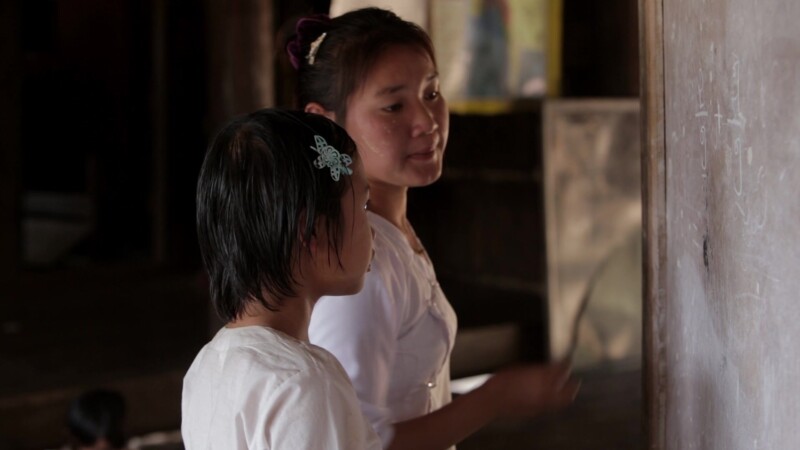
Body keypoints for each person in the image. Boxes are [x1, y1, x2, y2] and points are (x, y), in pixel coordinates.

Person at [287, 7, 580, 450]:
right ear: (326, 122)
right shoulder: (358, 263)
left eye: (431, 92)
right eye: (393, 105)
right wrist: (494, 398)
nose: (426, 122)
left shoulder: (391, 231)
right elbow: (356, 442)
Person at [182, 108, 381, 450]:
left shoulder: (205, 367)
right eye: (363, 208)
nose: (372, 228)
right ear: (313, 232)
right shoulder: (304, 383)